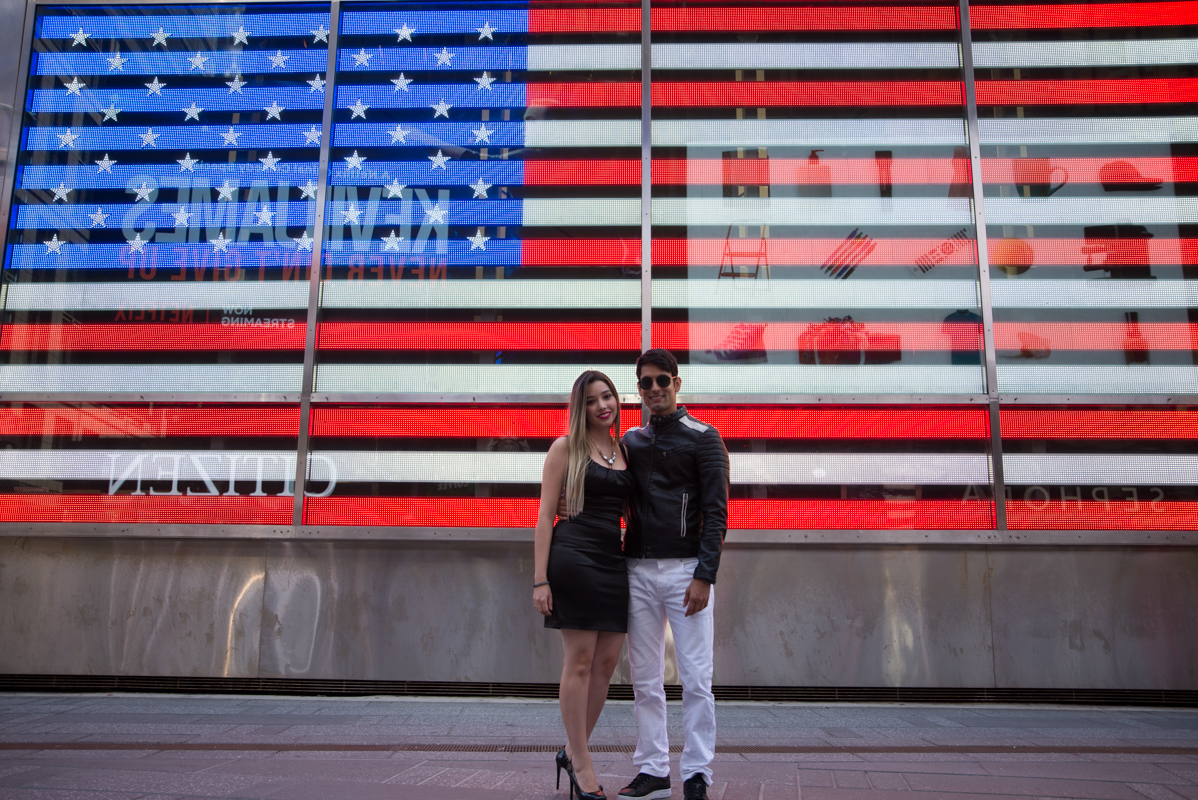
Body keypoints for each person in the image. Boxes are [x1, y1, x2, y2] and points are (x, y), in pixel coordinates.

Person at [620, 349, 731, 800]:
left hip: (687, 572)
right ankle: (653, 769)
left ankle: (697, 773)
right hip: (637, 570)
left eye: (662, 380)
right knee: (644, 678)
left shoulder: (705, 437)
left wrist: (705, 574)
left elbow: (717, 512)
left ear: (677, 383)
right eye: (645, 383)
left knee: (696, 678)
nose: (654, 390)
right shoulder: (629, 440)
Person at [534, 370, 635, 800]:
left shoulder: (626, 448)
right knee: (579, 660)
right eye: (592, 400)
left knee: (607, 664)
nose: (602, 406)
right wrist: (540, 579)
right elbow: (544, 516)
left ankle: (572, 751)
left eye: (607, 396)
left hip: (614, 561)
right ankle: (581, 761)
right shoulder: (565, 448)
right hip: (573, 555)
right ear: (581, 408)